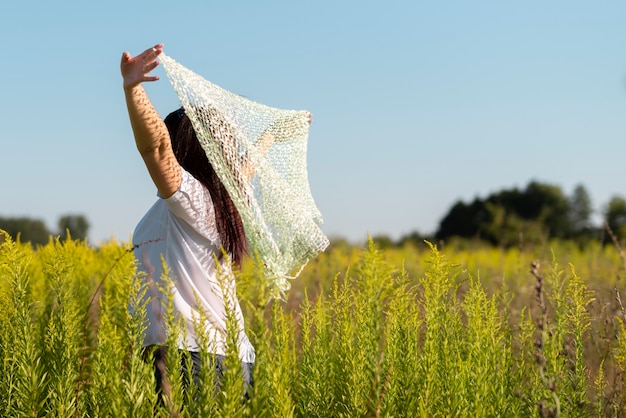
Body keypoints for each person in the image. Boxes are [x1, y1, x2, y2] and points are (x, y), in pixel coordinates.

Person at [120, 44, 254, 402]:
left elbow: (157, 150)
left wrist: (133, 89)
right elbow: (245, 169)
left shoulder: (193, 201)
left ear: (186, 151)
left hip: (193, 362)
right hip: (216, 359)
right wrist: (274, 137)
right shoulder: (223, 203)